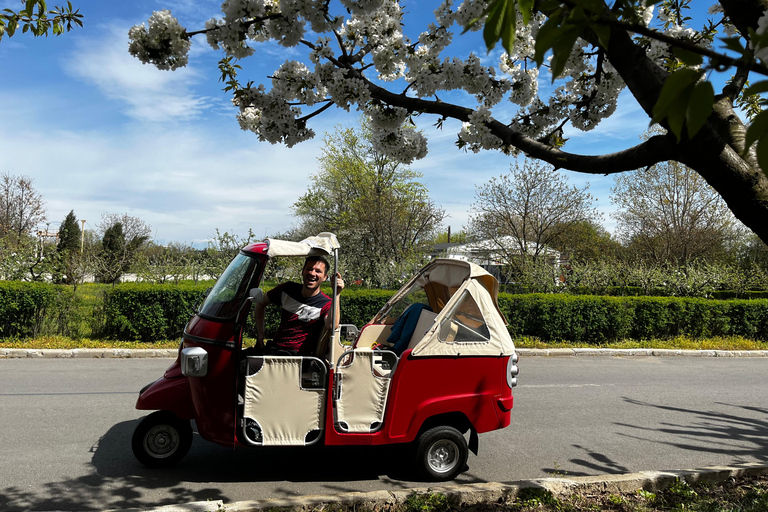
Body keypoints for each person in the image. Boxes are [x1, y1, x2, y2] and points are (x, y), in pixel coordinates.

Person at [252, 255, 344, 356]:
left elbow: (331, 325)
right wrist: (260, 334)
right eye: (309, 269)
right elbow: (260, 303)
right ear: (303, 271)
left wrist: (337, 293)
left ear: (325, 277)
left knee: (245, 366)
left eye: (318, 271)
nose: (312, 273)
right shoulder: (287, 289)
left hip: (296, 359)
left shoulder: (326, 303)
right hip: (275, 351)